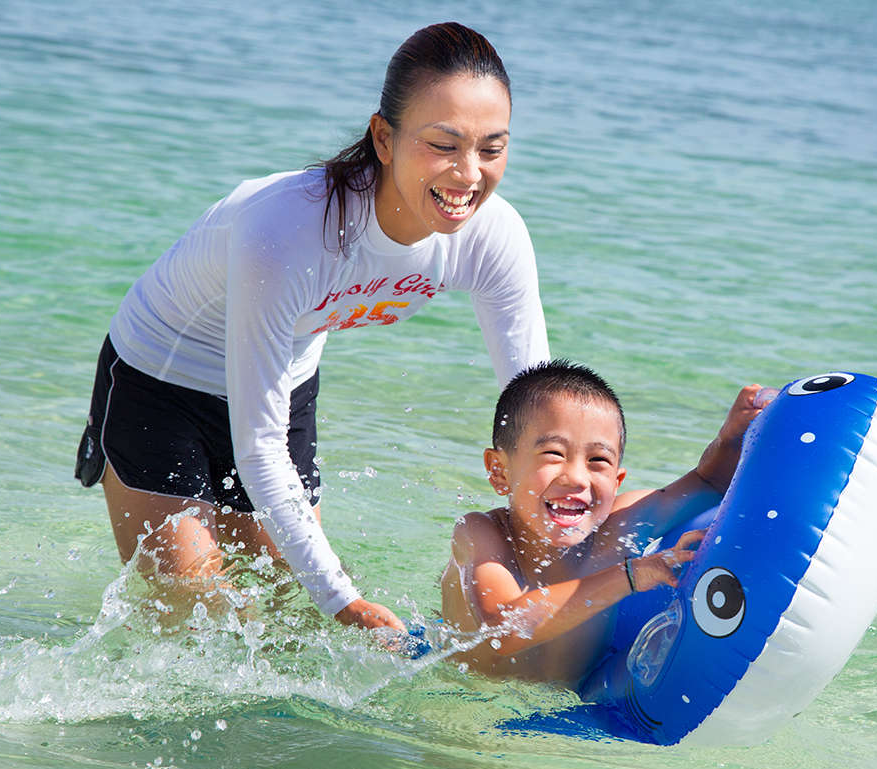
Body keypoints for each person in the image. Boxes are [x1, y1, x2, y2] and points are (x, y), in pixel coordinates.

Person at [74, 23, 548, 633]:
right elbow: (259, 448)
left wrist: (575, 540)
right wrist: (345, 601)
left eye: (491, 149)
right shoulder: (289, 230)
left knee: (287, 613)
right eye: (443, 144)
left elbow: (537, 409)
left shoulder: (493, 236)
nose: (468, 174)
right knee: (199, 616)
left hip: (283, 379)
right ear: (384, 138)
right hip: (163, 376)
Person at [440, 360, 766, 688]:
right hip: (470, 693)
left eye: (598, 460)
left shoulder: (620, 528)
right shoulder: (481, 533)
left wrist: (732, 435)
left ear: (617, 480)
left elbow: (709, 483)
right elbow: (501, 629)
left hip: (574, 700)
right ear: (499, 471)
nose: (577, 478)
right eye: (554, 454)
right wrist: (631, 575)